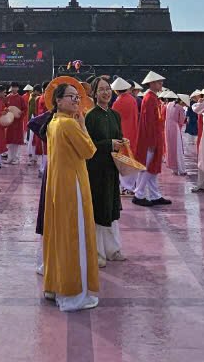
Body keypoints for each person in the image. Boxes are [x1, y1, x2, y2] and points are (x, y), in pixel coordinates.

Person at [42, 78, 101, 312]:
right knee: (74, 238)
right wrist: (84, 126)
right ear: (58, 101)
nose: (76, 101)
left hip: (58, 185)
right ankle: (73, 295)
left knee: (58, 235)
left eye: (78, 97)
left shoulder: (53, 122)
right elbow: (89, 151)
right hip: (72, 186)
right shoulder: (68, 124)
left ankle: (54, 286)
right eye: (71, 97)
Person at [84, 76, 126, 267]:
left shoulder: (115, 115)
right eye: (101, 89)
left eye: (108, 89)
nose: (106, 92)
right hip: (96, 169)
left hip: (112, 168)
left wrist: (122, 143)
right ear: (94, 93)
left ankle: (113, 249)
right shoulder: (90, 116)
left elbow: (118, 137)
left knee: (112, 208)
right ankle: (98, 252)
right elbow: (88, 145)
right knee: (99, 209)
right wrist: (108, 144)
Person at [132, 71, 170, 207]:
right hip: (150, 139)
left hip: (153, 138)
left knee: (151, 167)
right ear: (152, 83)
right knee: (147, 168)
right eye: (159, 82)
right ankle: (139, 194)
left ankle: (155, 195)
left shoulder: (152, 98)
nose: (161, 84)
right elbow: (149, 123)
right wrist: (152, 141)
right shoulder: (149, 99)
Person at [109, 77, 138, 194]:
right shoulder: (132, 99)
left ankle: (125, 187)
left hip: (122, 133)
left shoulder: (117, 102)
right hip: (133, 132)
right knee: (131, 158)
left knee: (122, 160)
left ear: (116, 90)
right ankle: (130, 186)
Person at [162, 89, 186, 175]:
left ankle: (173, 168)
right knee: (178, 148)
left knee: (170, 147)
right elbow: (181, 121)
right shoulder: (180, 108)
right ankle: (181, 169)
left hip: (167, 126)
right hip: (175, 128)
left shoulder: (168, 105)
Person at [4, 84, 28, 166]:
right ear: (10, 88)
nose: (14, 88)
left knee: (16, 141)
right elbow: (4, 107)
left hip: (17, 122)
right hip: (10, 122)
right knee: (9, 141)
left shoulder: (20, 98)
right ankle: (10, 157)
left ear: (18, 88)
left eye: (15, 87)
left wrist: (21, 113)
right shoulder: (7, 97)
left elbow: (25, 109)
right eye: (13, 87)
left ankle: (16, 158)